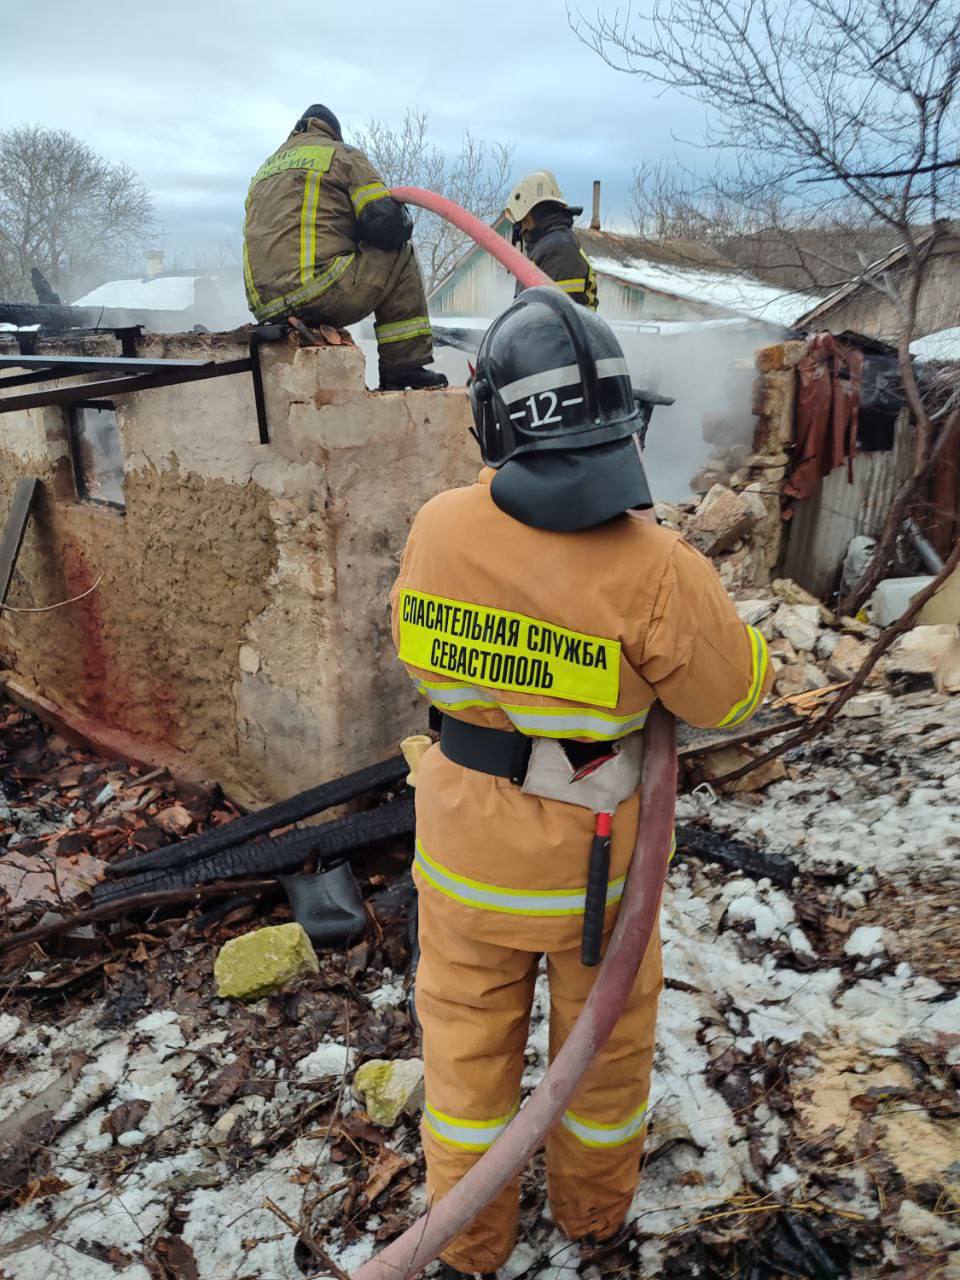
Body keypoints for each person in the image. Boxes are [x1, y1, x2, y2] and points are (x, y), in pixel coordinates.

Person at [390, 288, 771, 1279]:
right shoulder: (655, 567)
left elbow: (413, 644)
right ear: (623, 421)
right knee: (597, 1062)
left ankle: (469, 1240)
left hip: (462, 859)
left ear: (494, 417)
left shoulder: (437, 528)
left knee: (465, 1061)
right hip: (593, 879)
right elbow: (728, 695)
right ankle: (592, 1215)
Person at [243, 104, 447, 391]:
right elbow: (385, 224)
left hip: (265, 305)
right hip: (316, 291)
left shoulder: (264, 171)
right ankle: (404, 367)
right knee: (401, 254)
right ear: (332, 132)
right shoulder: (341, 155)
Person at [506, 171, 598, 309]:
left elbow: (554, 320)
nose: (522, 228)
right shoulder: (547, 247)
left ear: (538, 212)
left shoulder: (559, 250)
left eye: (524, 220)